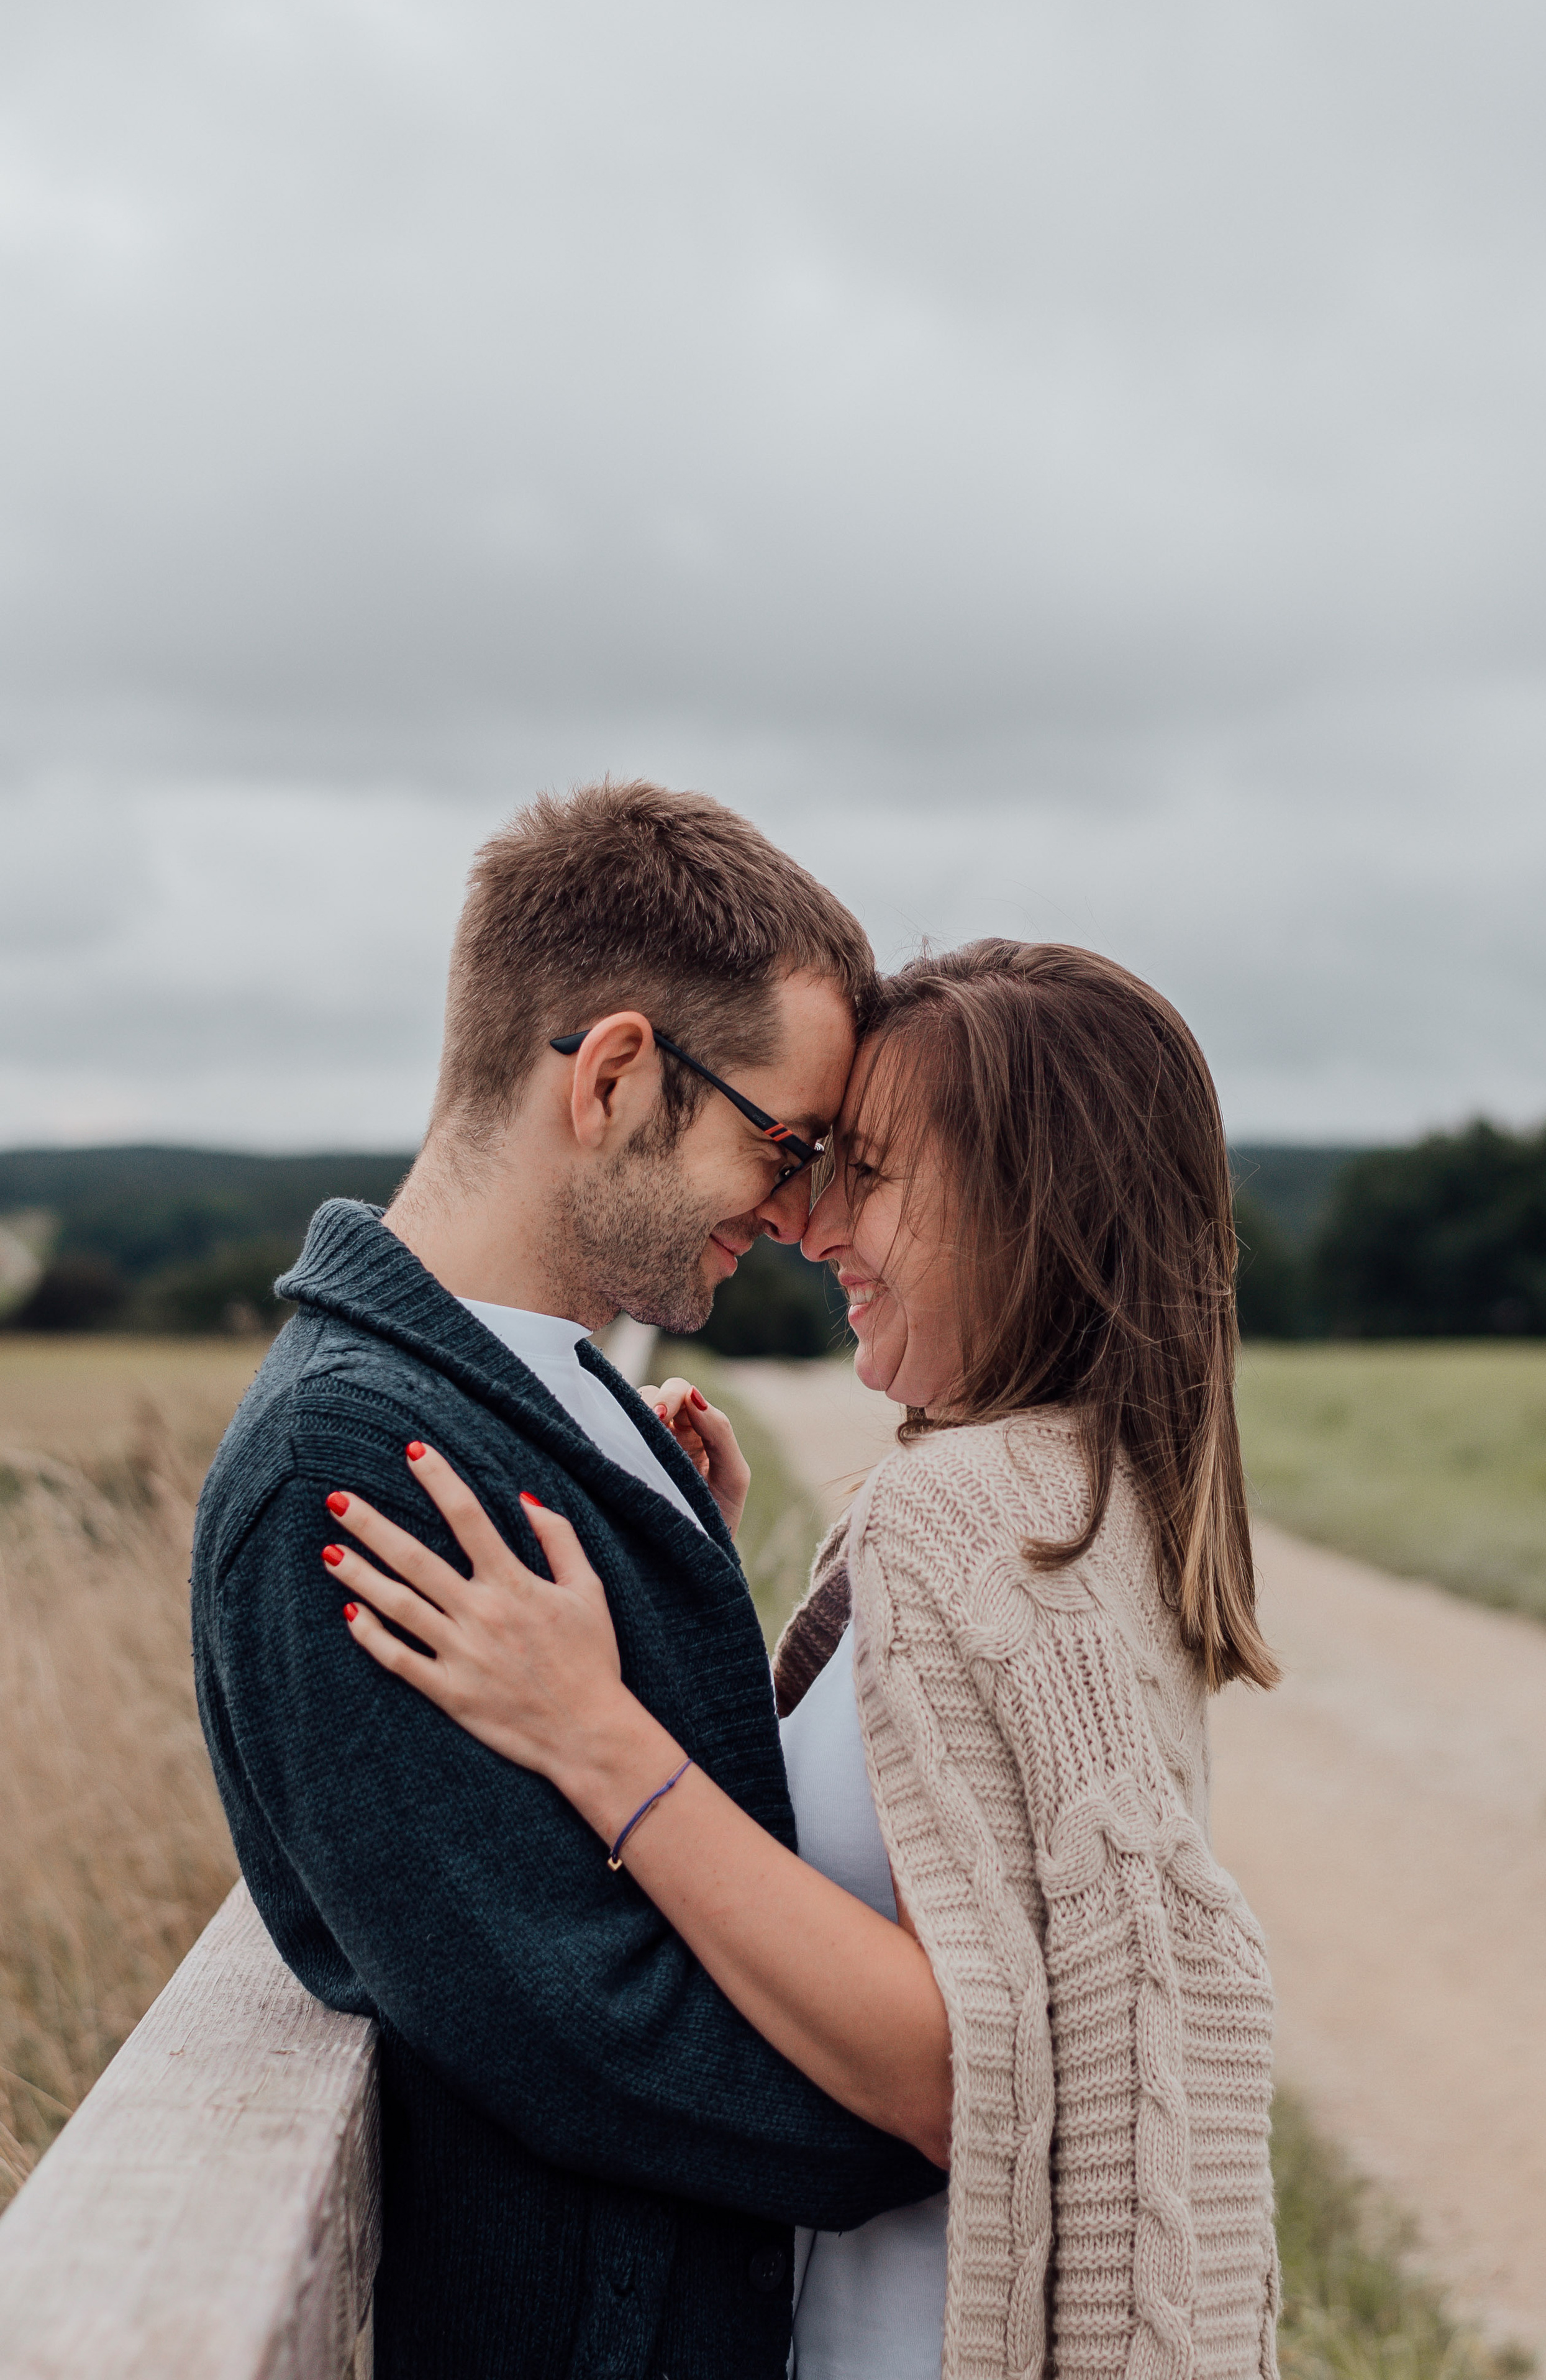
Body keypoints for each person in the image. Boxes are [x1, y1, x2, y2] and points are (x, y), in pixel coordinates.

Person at [327, 937, 1286, 2380]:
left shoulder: (965, 1511)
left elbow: (956, 2069)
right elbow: (928, 1858)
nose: (810, 1221)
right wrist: (689, 1587)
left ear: (1027, 1210)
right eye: (809, 1163)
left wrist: (594, 1730)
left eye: (867, 1173)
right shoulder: (1086, 1493)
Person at [191, 781, 944, 2380]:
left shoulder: (552, 1388)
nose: (797, 1212)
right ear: (611, 1076)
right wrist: (954, 2108)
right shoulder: (347, 1457)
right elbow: (580, 2017)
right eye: (781, 1141)